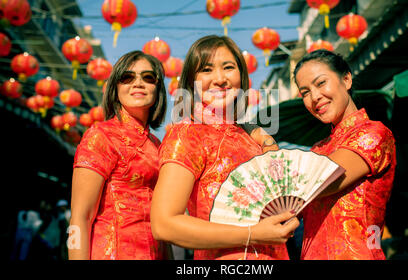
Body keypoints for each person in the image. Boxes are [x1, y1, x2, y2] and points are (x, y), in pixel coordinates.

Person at [151, 35, 299, 260]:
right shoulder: (188, 134)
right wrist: (252, 234)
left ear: (242, 76)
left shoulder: (251, 136)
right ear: (192, 82)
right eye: (207, 70)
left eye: (228, 67)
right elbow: (164, 224)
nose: (219, 79)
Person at [293, 49, 396, 260]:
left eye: (321, 83)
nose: (315, 97)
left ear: (346, 79)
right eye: (305, 92)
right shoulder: (317, 149)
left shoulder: (374, 133)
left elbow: (322, 179)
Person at [69, 50, 170, 260]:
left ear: (158, 89)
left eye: (148, 77)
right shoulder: (101, 137)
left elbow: (162, 219)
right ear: (115, 89)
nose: (138, 83)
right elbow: (80, 217)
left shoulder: (159, 146)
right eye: (127, 77)